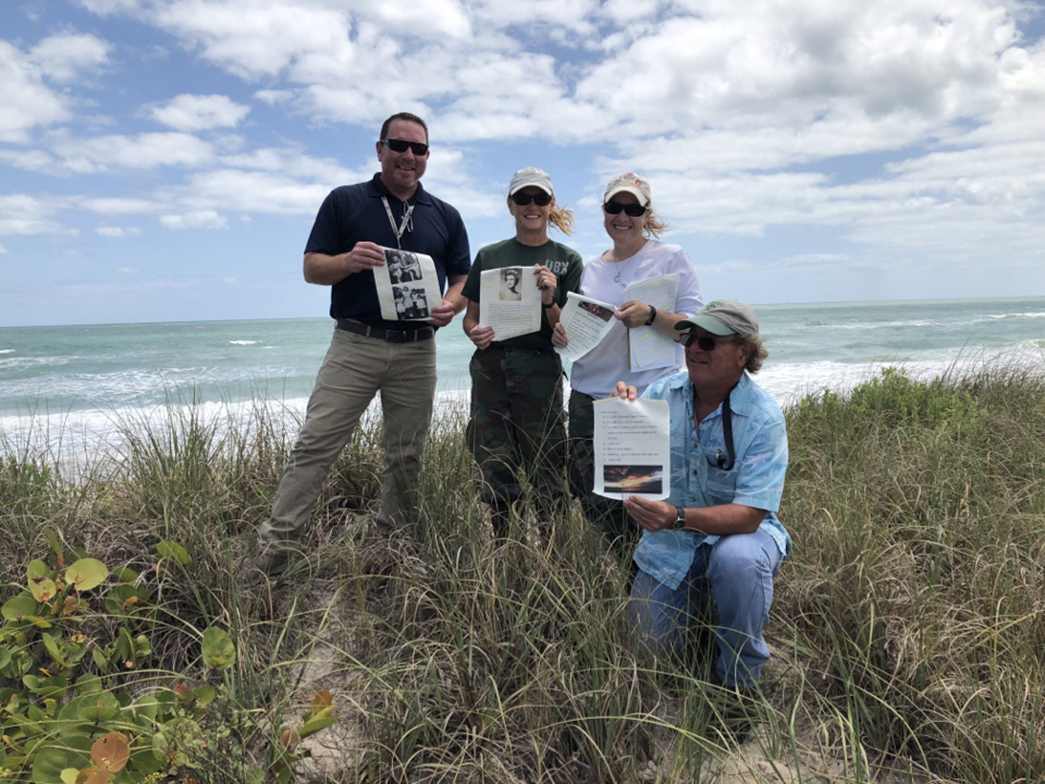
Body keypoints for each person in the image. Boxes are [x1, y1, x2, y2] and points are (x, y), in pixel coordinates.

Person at [249, 111, 471, 580]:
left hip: (417, 349)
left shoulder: (445, 215)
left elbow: (461, 276)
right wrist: (348, 261)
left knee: (407, 455)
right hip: (356, 343)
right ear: (379, 149)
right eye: (399, 145)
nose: (409, 156)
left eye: (419, 149)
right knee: (315, 446)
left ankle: (395, 550)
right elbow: (312, 268)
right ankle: (274, 556)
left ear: (428, 157)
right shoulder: (345, 201)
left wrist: (451, 305)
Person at [612, 300, 790, 689]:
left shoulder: (763, 418)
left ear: (743, 353)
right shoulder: (661, 393)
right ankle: (710, 609)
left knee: (737, 561)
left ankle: (740, 682)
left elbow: (750, 516)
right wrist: (623, 418)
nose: (693, 349)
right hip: (672, 545)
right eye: (690, 338)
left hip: (738, 538)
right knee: (650, 649)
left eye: (709, 342)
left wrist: (677, 516)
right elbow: (633, 482)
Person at [552, 172, 703, 546]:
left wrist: (652, 316)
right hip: (590, 396)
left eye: (633, 208)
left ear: (647, 213)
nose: (623, 215)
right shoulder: (590, 267)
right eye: (614, 207)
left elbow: (694, 332)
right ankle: (614, 588)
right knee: (595, 501)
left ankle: (643, 586)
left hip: (643, 399)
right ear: (604, 211)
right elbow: (578, 328)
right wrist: (563, 334)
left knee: (637, 502)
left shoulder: (670, 257)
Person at [462, 167, 583, 534]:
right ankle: (503, 550)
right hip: (491, 365)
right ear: (511, 205)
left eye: (540, 199)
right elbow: (470, 319)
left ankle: (550, 552)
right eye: (524, 199)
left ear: (551, 204)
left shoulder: (568, 260)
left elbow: (569, 333)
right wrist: (475, 333)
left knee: (546, 461)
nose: (533, 206)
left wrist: (549, 298)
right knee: (494, 458)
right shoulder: (489, 255)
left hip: (540, 368)